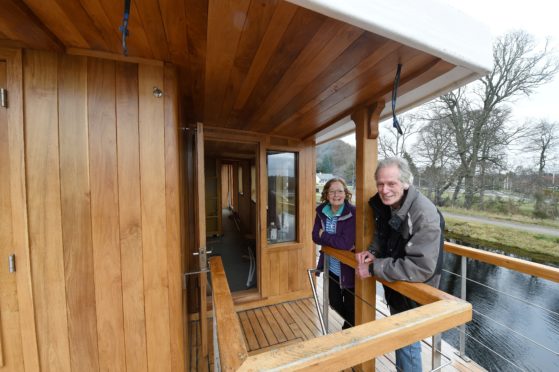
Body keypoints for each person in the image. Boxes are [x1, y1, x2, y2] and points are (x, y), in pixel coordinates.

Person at [355, 157, 444, 372]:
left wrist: (375, 267)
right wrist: (373, 252)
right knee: (401, 339)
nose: (384, 190)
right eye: (380, 184)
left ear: (405, 183)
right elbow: (383, 232)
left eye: (391, 183)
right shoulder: (388, 203)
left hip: (415, 290)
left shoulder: (424, 214)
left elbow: (421, 268)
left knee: (407, 342)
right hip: (397, 283)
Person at [313, 178, 356, 330]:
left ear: (346, 193)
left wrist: (324, 235)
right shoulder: (321, 211)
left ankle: (349, 331)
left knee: (352, 307)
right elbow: (314, 236)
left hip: (349, 269)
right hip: (330, 267)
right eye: (332, 191)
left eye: (340, 191)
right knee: (334, 303)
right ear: (326, 194)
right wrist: (332, 239)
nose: (336, 194)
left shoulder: (352, 213)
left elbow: (346, 244)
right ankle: (353, 323)